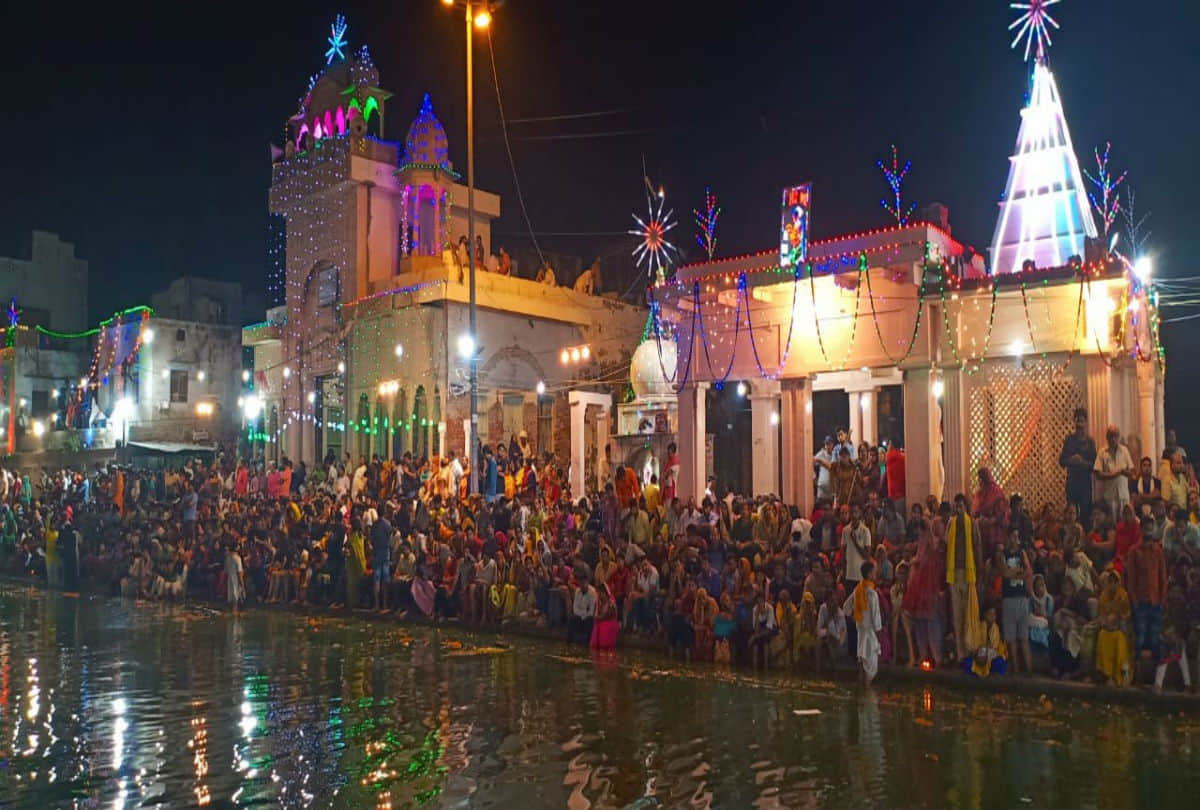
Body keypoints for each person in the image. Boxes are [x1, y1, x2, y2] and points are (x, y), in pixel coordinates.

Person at [1125, 517, 1167, 679]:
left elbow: (1163, 577)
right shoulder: (1134, 552)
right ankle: (1136, 677)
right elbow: (1131, 579)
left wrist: (1162, 600)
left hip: (1156, 601)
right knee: (1140, 639)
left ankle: (1156, 680)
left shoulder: (1158, 551)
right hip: (1140, 602)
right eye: (1146, 528)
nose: (1149, 531)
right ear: (1141, 530)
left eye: (1151, 528)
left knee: (1155, 640)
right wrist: (1134, 600)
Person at [945, 494, 983, 662]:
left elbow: (977, 546)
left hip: (969, 575)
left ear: (966, 507)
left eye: (961, 506)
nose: (958, 510)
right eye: (956, 507)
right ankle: (961, 654)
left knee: (970, 614)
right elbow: (946, 545)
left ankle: (970, 650)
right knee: (957, 615)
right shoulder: (950, 524)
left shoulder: (972, 523)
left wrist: (980, 572)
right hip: (954, 575)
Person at [997, 528, 1033, 675]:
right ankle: (1016, 672)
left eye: (1017, 536)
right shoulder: (1002, 554)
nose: (1015, 539)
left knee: (1024, 637)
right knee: (1011, 639)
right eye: (1012, 536)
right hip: (1009, 599)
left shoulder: (1022, 553)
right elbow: (1004, 573)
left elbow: (1028, 572)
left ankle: (1029, 671)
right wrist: (1019, 572)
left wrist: (1016, 573)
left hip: (1021, 598)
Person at [845, 561, 882, 685]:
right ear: (870, 574)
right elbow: (876, 617)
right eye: (874, 572)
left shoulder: (858, 589)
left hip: (860, 631)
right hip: (870, 633)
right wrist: (879, 635)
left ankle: (860, 697)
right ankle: (866, 697)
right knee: (870, 669)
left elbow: (846, 607)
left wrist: (853, 617)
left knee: (862, 663)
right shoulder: (872, 594)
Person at [1058, 407, 1097, 521]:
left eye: (1082, 421)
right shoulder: (1069, 440)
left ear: (1086, 422)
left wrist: (1082, 462)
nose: (1079, 424)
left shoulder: (1090, 442)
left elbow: (1095, 465)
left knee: (1085, 513)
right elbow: (1062, 461)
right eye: (1077, 421)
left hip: (1085, 483)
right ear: (1074, 421)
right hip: (1072, 482)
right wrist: (1072, 460)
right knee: (1071, 512)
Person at [1095, 570, 1132, 686]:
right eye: (1110, 582)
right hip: (1107, 629)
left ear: (1118, 583)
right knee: (1102, 635)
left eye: (1114, 582)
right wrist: (1106, 621)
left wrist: (1116, 617)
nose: (1112, 584)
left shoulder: (1123, 595)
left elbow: (1127, 614)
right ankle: (1108, 675)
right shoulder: (1103, 596)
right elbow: (1101, 615)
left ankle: (1123, 675)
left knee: (1120, 641)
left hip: (1121, 629)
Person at [1094, 426, 1135, 515]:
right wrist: (1113, 475)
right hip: (1109, 497)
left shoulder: (1124, 450)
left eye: (1115, 436)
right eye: (1110, 436)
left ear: (1119, 437)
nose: (1113, 439)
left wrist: (1122, 471)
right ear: (1106, 437)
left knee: (1124, 525)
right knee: (1111, 524)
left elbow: (1132, 473)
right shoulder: (1102, 452)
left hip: (1124, 496)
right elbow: (1098, 475)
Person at [972, 467, 1009, 558]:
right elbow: (974, 511)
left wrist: (990, 521)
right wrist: (979, 519)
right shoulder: (979, 494)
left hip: (995, 534)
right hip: (981, 533)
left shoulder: (996, 492)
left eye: (980, 479)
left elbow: (1002, 513)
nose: (979, 481)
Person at [371, 506, 392, 612]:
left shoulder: (374, 525)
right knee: (385, 579)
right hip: (385, 552)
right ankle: (384, 604)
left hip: (376, 552)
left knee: (377, 579)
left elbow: (372, 539)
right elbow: (390, 537)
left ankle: (377, 604)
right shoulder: (388, 525)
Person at [813, 436, 836, 502]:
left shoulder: (835, 454)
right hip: (821, 490)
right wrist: (813, 477)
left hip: (832, 490)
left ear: (832, 445)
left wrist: (820, 461)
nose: (828, 446)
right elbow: (811, 462)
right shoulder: (821, 453)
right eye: (826, 444)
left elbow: (831, 467)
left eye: (829, 444)